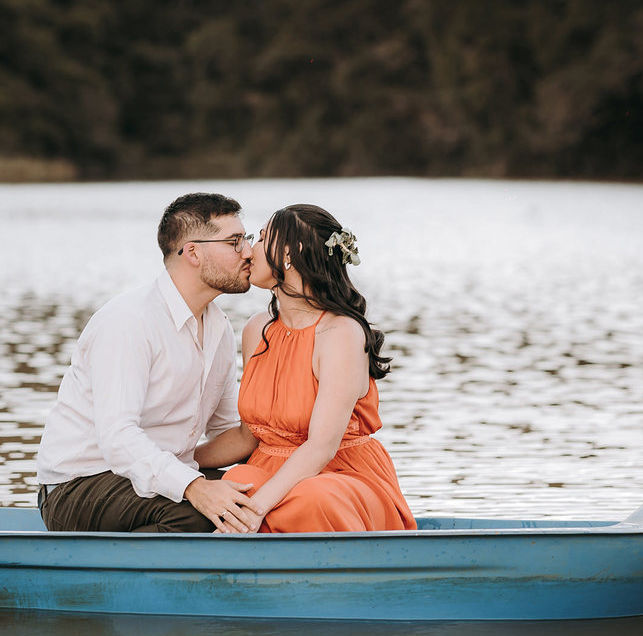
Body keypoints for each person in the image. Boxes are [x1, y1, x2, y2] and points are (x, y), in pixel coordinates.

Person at [36, 193, 263, 533]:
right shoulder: (130, 322)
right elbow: (118, 438)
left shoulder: (219, 328)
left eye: (246, 239)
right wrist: (194, 486)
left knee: (256, 498)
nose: (248, 252)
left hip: (150, 478)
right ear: (193, 253)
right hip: (78, 486)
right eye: (234, 242)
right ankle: (98, 563)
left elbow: (227, 432)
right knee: (202, 515)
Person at [195, 204, 416, 533]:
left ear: (290, 253)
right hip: (270, 471)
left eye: (262, 238)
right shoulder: (258, 329)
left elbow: (321, 446)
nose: (249, 250)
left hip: (340, 476)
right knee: (237, 480)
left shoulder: (340, 333)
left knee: (313, 498)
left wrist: (254, 510)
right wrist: (177, 462)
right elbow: (247, 436)